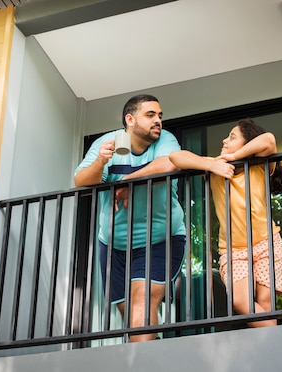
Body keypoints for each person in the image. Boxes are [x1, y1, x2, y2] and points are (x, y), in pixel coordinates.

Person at [74, 94, 186, 342]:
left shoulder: (165, 140)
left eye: (160, 115)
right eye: (150, 115)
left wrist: (127, 181)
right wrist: (101, 161)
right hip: (114, 245)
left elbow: (170, 164)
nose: (158, 120)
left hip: (160, 239)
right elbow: (81, 180)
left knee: (141, 310)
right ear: (130, 119)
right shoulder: (111, 142)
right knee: (134, 320)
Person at [169, 118, 282, 327]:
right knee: (241, 302)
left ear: (246, 144)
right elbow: (175, 157)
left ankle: (268, 351)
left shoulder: (260, 167)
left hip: (266, 242)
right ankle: (279, 343)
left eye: (232, 137)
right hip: (233, 251)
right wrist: (212, 164)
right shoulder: (215, 168)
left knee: (266, 304)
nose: (224, 140)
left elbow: (268, 140)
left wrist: (234, 156)